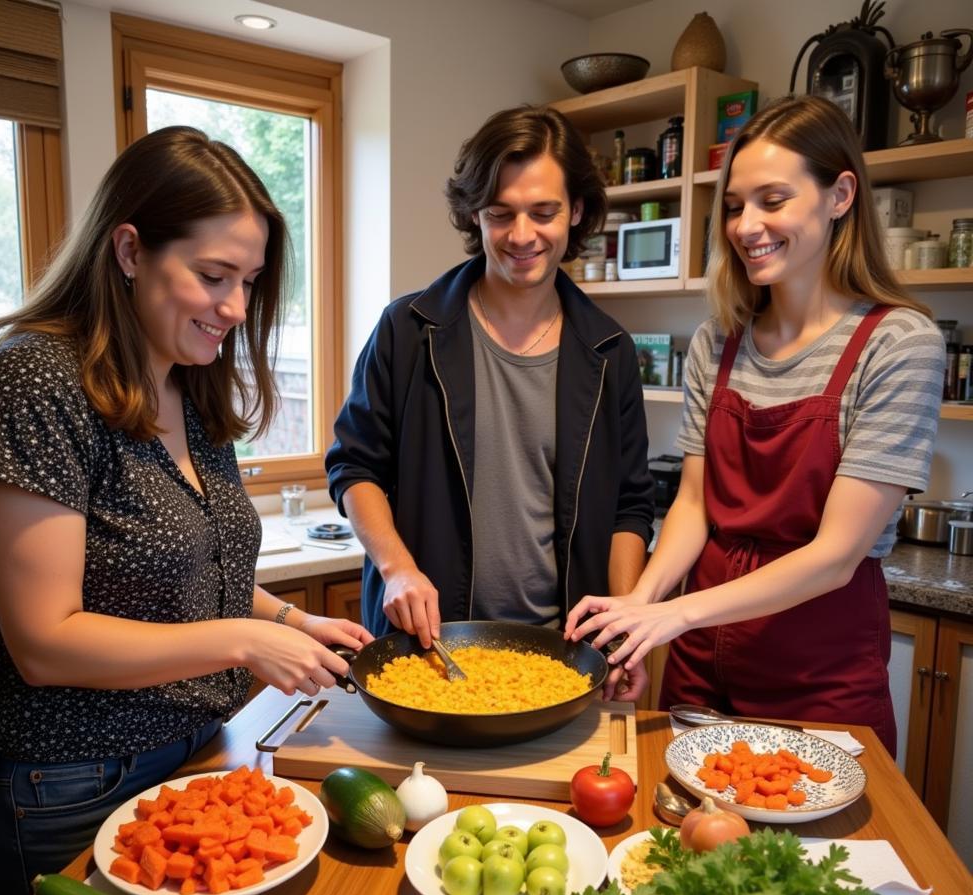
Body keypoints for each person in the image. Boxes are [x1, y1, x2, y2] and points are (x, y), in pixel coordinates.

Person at [0, 126, 373, 895]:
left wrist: (290, 619)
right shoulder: (36, 380)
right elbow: (46, 642)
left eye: (248, 281)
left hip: (193, 757)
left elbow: (192, 571)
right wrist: (246, 644)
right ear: (130, 249)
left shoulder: (187, 388)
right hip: (68, 781)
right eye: (214, 276)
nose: (236, 308)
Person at [565, 96, 945, 755]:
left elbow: (834, 557)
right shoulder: (721, 340)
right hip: (698, 659)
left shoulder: (900, 344)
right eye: (736, 205)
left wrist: (670, 614)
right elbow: (693, 503)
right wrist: (640, 612)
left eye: (773, 200)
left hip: (818, 667)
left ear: (840, 195)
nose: (747, 225)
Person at [325, 105, 654, 660]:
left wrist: (619, 628)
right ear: (474, 215)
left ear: (575, 211)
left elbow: (630, 507)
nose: (521, 235)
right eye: (501, 213)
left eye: (543, 212)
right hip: (430, 648)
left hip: (563, 652)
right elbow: (354, 468)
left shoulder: (610, 351)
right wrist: (398, 569)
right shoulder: (407, 333)